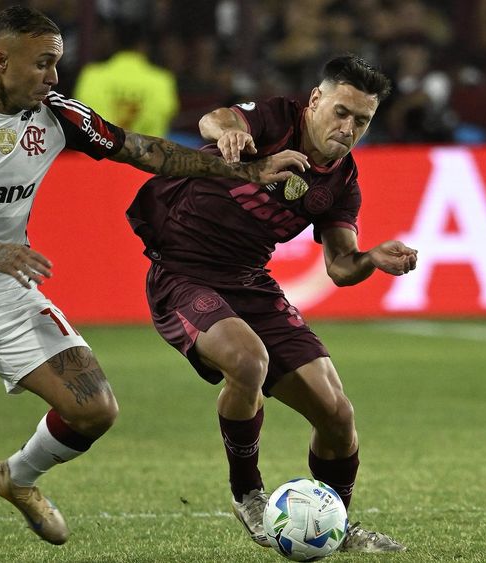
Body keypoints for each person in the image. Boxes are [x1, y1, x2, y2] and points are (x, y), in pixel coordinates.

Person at [0, 6, 308, 562]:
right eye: (43, 64)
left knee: (95, 409)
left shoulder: (57, 115)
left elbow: (146, 151)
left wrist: (247, 172)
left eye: (57, 64)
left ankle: (15, 478)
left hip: (8, 291)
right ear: (0, 61)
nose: (53, 77)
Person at [126, 55, 415, 553]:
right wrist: (232, 137)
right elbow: (217, 120)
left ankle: (336, 527)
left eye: (362, 122)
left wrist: (371, 258)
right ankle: (248, 494)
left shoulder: (341, 181)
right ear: (317, 100)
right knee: (248, 360)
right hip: (183, 273)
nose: (348, 129)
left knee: (337, 416)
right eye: (341, 112)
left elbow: (341, 267)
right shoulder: (275, 119)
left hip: (249, 282)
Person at [73, 20, 179, 138]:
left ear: (113, 43)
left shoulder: (92, 75)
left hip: (98, 153)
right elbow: (165, 118)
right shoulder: (162, 80)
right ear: (143, 45)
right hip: (147, 153)